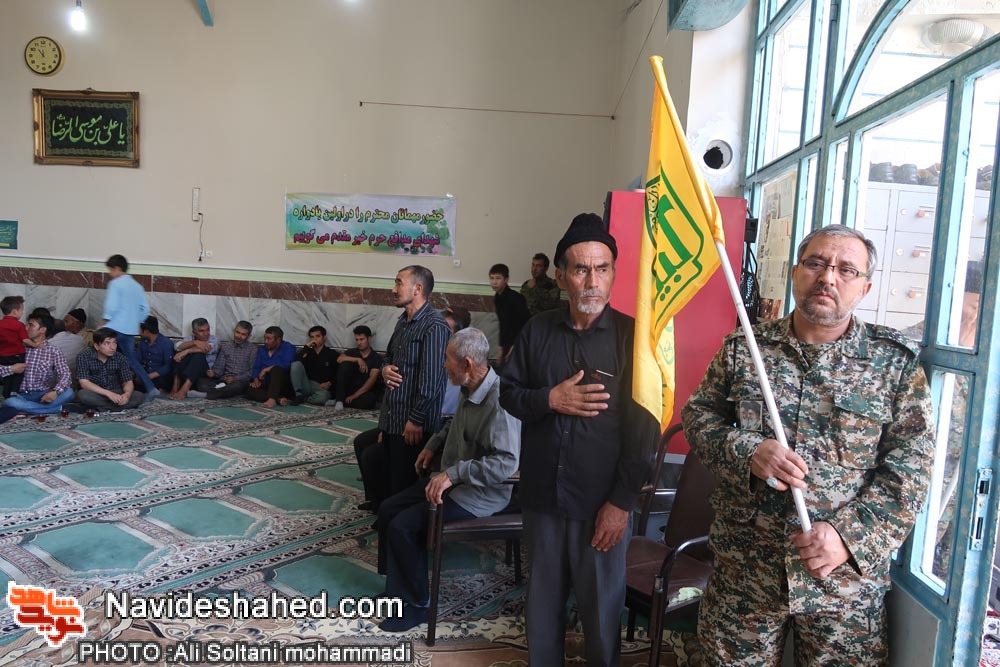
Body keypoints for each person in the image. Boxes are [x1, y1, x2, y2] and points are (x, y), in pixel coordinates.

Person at [681, 224, 935, 666]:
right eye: (815, 263)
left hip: (844, 584)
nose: (828, 277)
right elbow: (698, 418)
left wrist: (848, 537)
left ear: (865, 287)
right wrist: (747, 450)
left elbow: (911, 472)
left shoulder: (893, 364)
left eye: (846, 269)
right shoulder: (745, 349)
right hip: (746, 572)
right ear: (795, 272)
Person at [500, 213, 657, 666]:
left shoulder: (632, 339)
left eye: (602, 269)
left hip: (601, 506)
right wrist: (549, 399)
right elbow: (508, 393)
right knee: (542, 610)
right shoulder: (537, 330)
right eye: (581, 269)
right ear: (561, 276)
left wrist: (621, 504)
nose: (592, 281)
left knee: (602, 614)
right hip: (543, 500)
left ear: (614, 273)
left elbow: (644, 431)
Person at [375, 327, 521, 632]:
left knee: (404, 527)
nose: (443, 365)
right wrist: (432, 445)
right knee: (388, 510)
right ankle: (396, 592)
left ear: (466, 364)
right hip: (452, 482)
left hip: (479, 495)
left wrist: (453, 474)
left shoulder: (500, 402)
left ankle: (416, 605)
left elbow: (506, 464)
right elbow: (454, 423)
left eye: (447, 359)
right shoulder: (470, 387)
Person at [378, 265, 451, 499]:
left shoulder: (435, 326)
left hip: (413, 425)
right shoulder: (403, 321)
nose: (393, 289)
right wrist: (384, 370)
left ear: (417, 288)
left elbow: (432, 380)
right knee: (389, 479)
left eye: (399, 282)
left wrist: (416, 419)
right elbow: (388, 357)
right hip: (393, 418)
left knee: (403, 486)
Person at [101, 255, 158, 402]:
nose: (110, 273)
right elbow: (145, 309)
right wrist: (136, 321)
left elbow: (111, 306)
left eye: (110, 270)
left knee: (101, 355)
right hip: (130, 330)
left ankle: (103, 387)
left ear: (117, 268)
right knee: (131, 360)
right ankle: (151, 388)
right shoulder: (137, 286)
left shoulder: (115, 284)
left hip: (114, 327)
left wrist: (103, 321)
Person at [0, 313, 74, 422]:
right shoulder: (16, 348)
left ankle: (27, 410)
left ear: (43, 330)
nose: (26, 328)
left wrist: (55, 392)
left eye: (31, 325)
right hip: (20, 395)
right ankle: (55, 409)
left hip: (43, 395)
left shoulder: (53, 351)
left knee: (69, 392)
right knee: (10, 402)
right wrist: (11, 369)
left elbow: (65, 374)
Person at [76, 327, 146, 410]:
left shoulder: (120, 358)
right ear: (96, 346)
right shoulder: (84, 357)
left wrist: (127, 394)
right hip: (97, 392)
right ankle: (116, 408)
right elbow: (84, 383)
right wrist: (108, 394)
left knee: (139, 396)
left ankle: (103, 408)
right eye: (107, 343)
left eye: (114, 343)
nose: (112, 347)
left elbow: (127, 381)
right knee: (83, 395)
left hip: (117, 391)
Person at [200, 321, 257, 400]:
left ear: (249, 336)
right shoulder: (226, 347)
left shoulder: (253, 349)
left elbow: (251, 372)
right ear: (234, 331)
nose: (239, 336)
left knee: (237, 386)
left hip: (240, 382)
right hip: (224, 380)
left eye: (243, 334)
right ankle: (222, 393)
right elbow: (219, 368)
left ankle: (207, 394)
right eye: (237, 332)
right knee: (201, 383)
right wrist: (213, 373)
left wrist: (235, 378)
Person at [332, 325, 383, 411]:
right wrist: (358, 359)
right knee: (345, 364)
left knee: (369, 400)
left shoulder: (376, 357)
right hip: (347, 389)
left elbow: (372, 380)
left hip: (361, 392)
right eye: (357, 340)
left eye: (362, 339)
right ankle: (340, 400)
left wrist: (355, 395)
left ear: (369, 339)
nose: (359, 343)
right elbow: (339, 359)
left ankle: (341, 401)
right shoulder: (352, 352)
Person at [489, 263, 530, 367]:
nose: (494, 282)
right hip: (507, 342)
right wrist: (501, 349)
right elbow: (503, 325)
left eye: (498, 278)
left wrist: (514, 347)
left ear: (506, 279)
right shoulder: (497, 298)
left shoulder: (516, 298)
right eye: (492, 278)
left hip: (520, 342)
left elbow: (524, 325)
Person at [246, 326, 296, 407]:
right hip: (266, 383)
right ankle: (279, 399)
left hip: (282, 384)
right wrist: (255, 379)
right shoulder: (262, 349)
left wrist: (267, 369)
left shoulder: (288, 348)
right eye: (265, 338)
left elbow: (286, 365)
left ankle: (272, 399)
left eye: (269, 339)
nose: (265, 341)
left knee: (276, 369)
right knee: (248, 389)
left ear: (278, 340)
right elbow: (256, 366)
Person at [170, 318, 219, 400]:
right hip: (188, 371)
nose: (206, 333)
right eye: (201, 331)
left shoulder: (214, 339)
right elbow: (177, 346)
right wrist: (194, 342)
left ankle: (184, 390)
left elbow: (206, 348)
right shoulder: (191, 339)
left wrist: (187, 351)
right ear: (194, 332)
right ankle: (175, 387)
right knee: (178, 355)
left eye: (207, 330)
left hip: (206, 372)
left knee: (198, 355)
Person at [0, 295, 38, 397]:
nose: (22, 313)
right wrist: (35, 345)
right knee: (19, 373)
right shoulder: (19, 325)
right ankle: (14, 392)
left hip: (2, 356)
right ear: (15, 312)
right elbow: (25, 340)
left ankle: (6, 394)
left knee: (7, 375)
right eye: (21, 310)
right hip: (17, 354)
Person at [290, 325, 337, 405]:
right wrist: (306, 347)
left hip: (321, 387)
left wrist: (330, 383)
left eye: (317, 336)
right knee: (295, 364)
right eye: (312, 337)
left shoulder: (331, 353)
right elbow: (296, 363)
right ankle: (298, 395)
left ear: (324, 338)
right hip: (307, 384)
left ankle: (305, 399)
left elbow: (337, 372)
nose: (314, 339)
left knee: (324, 396)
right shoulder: (307, 352)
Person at [138, 316, 174, 391]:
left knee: (163, 381)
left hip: (160, 376)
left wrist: (152, 375)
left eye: (140, 330)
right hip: (146, 375)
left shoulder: (166, 343)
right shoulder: (143, 343)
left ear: (146, 331)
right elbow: (137, 360)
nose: (139, 332)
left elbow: (169, 365)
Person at [49, 308, 87, 377]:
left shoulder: (89, 337)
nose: (64, 324)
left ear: (77, 324)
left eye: (66, 321)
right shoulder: (63, 335)